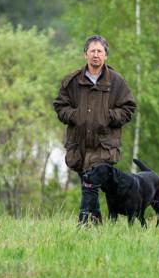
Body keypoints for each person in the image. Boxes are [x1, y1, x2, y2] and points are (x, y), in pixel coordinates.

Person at [53, 35, 136, 225]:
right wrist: (75, 116)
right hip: (79, 146)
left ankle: (84, 225)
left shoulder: (117, 82)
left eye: (100, 51)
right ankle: (96, 224)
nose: (96, 55)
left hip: (104, 145)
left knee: (90, 185)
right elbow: (60, 106)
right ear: (85, 55)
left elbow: (128, 109)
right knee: (88, 185)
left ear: (106, 55)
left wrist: (108, 117)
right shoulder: (72, 81)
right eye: (92, 51)